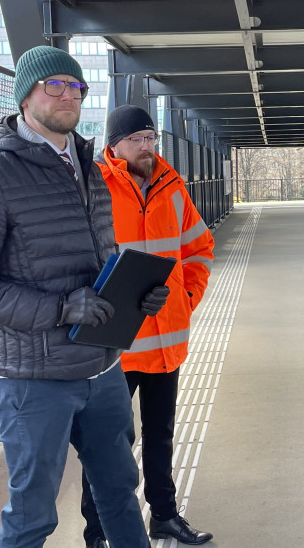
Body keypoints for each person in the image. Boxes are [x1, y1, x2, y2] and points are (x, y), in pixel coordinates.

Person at [0, 46, 169, 548]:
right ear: (25, 95)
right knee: (33, 516)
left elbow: (97, 258)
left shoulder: (90, 168)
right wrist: (58, 309)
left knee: (119, 493)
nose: (68, 95)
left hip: (102, 367)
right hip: (33, 381)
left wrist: (135, 293)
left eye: (76, 87)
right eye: (54, 85)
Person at [80, 105, 215, 548]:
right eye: (137, 139)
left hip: (165, 339)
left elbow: (199, 248)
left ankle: (164, 516)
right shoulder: (95, 186)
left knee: (161, 436)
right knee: (107, 445)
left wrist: (186, 299)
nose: (146, 147)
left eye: (151, 138)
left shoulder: (173, 188)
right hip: (116, 344)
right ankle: (97, 531)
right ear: (113, 145)